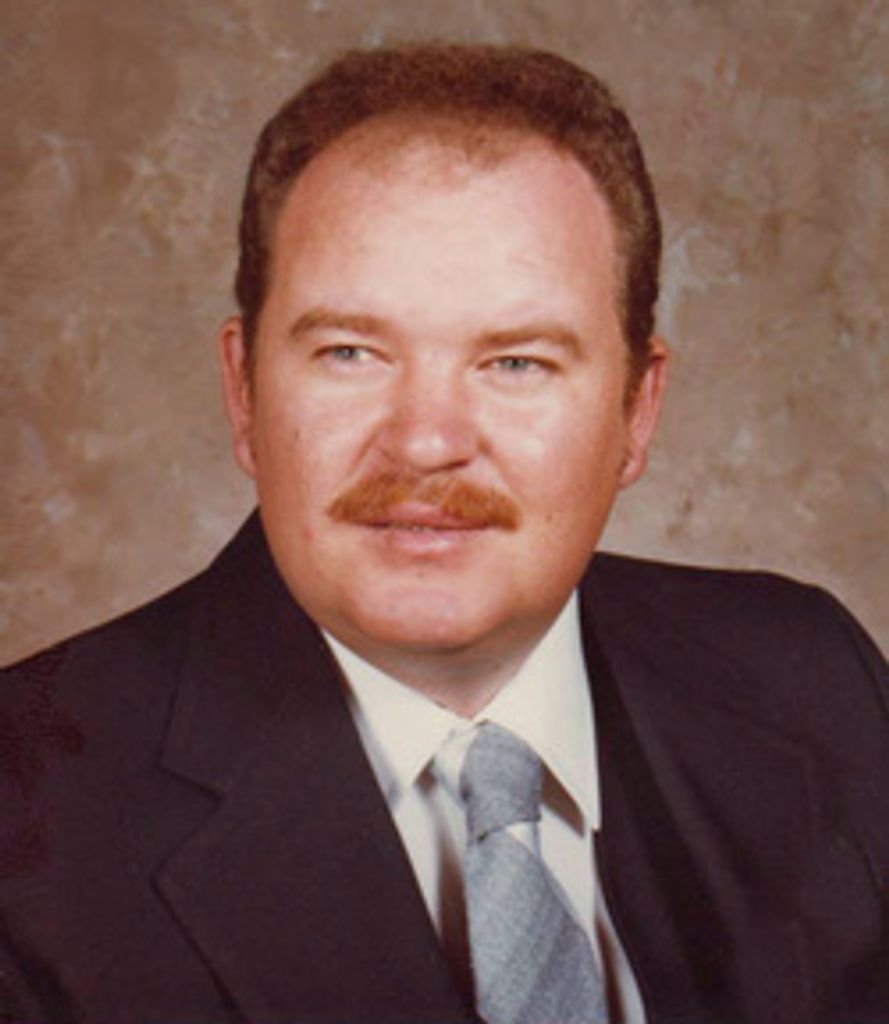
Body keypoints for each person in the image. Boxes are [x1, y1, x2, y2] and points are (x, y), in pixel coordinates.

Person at [1, 43, 887, 1024]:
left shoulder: (815, 682)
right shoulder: (24, 813)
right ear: (243, 391)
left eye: (515, 362)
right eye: (350, 352)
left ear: (637, 410)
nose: (426, 442)